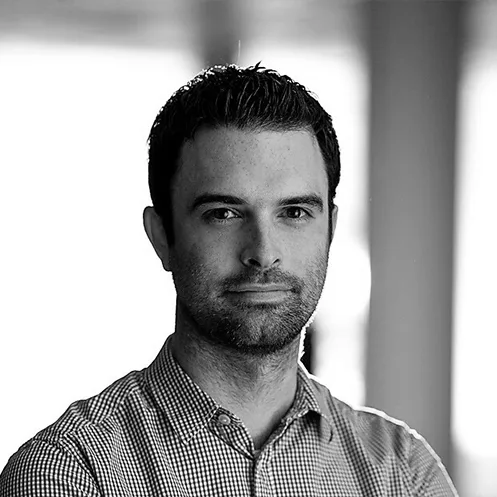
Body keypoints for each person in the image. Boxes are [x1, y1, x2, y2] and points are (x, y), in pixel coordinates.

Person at [0, 63, 458, 496]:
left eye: (294, 212)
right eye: (224, 213)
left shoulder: (403, 472)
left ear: (330, 231)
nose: (263, 252)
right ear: (162, 237)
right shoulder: (69, 471)